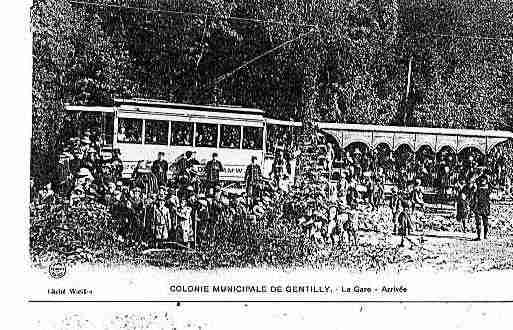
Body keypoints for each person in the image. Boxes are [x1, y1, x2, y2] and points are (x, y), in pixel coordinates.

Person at [472, 176, 491, 240]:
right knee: (485, 222)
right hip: (485, 207)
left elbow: (475, 199)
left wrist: (473, 207)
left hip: (479, 207)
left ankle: (479, 236)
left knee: (478, 222)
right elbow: (489, 199)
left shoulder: (477, 190)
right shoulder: (488, 190)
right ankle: (485, 236)